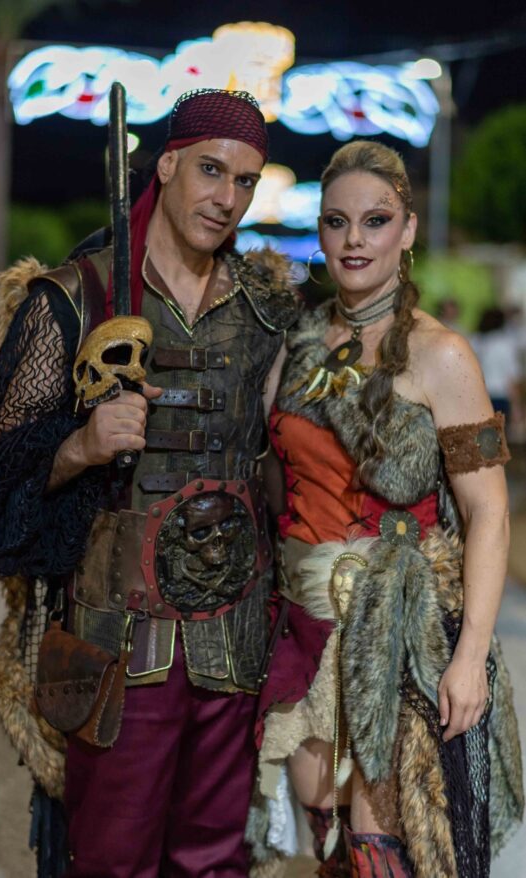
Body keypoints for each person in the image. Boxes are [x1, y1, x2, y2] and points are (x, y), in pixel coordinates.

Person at [0, 88, 298, 878]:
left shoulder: (266, 313)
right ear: (167, 165)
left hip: (233, 636)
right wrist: (80, 445)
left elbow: (290, 457)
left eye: (245, 181)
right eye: (210, 170)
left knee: (216, 860)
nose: (227, 198)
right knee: (113, 860)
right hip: (118, 638)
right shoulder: (75, 297)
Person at [249, 140, 523, 878]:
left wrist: (469, 659)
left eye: (375, 221)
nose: (354, 240)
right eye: (336, 222)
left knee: (386, 846)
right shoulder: (296, 344)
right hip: (304, 628)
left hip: (402, 638)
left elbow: (489, 513)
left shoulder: (443, 355)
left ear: (406, 230)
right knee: (324, 830)